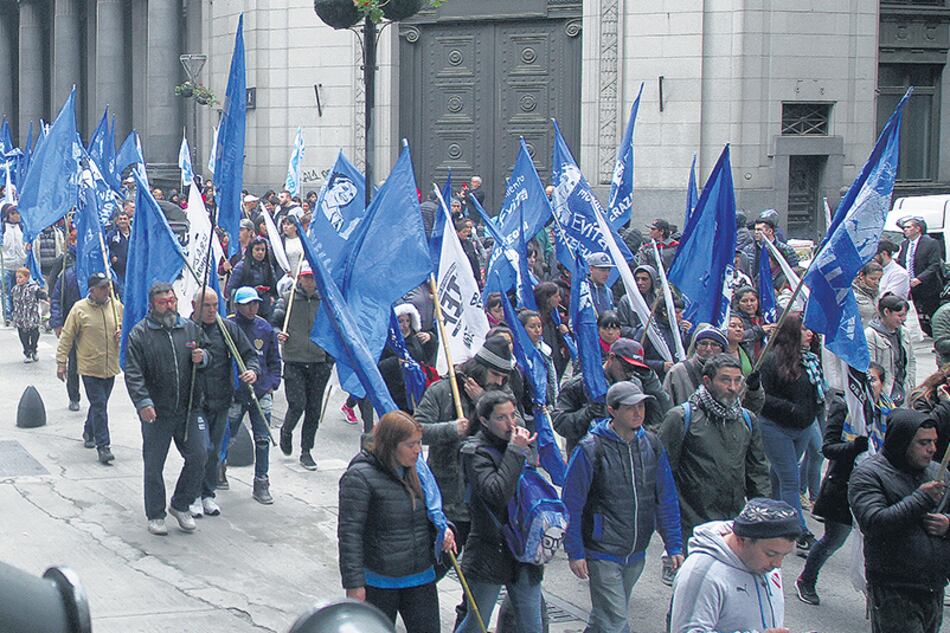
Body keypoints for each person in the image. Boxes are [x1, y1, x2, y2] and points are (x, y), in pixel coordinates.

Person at [562, 382, 683, 632]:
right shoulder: (590, 449)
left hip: (636, 551)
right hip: (602, 550)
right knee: (616, 622)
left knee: (604, 618)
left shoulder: (651, 444)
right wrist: (575, 552)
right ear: (612, 410)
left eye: (641, 406)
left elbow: (666, 497)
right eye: (630, 407)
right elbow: (571, 504)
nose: (638, 412)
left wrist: (674, 545)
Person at [338, 411, 455, 633]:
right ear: (392, 445)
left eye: (419, 443)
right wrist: (354, 584)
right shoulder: (360, 476)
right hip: (380, 581)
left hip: (420, 577)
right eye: (411, 444)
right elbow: (349, 535)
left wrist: (445, 529)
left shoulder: (418, 472)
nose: (418, 450)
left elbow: (431, 512)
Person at [795, 363, 890, 606]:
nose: (871, 386)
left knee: (876, 546)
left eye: (875, 381)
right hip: (843, 487)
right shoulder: (844, 407)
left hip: (875, 490)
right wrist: (856, 446)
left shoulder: (887, 411)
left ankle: (875, 596)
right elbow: (828, 448)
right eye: (866, 381)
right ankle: (806, 579)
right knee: (834, 540)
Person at [849, 410, 950, 633]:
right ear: (902, 442)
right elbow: (873, 523)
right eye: (923, 443)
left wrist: (947, 525)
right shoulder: (870, 474)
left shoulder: (937, 473)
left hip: (933, 587)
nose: (932, 449)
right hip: (894, 589)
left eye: (934, 442)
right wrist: (921, 499)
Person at [124, 283, 210, 535]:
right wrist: (143, 402)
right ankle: (155, 514)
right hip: (157, 411)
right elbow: (133, 373)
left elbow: (209, 356)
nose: (169, 305)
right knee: (154, 465)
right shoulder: (140, 334)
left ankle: (181, 504)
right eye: (163, 302)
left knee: (199, 455)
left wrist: (202, 358)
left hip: (189, 408)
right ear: (153, 305)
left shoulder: (190, 329)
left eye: (172, 300)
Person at [414, 336, 518, 546]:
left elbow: (517, 429)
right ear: (480, 368)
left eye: (503, 377)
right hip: (450, 495)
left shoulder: (502, 393)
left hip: (488, 496)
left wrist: (483, 400)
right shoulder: (442, 390)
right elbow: (416, 430)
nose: (498, 381)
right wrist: (451, 429)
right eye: (494, 374)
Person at [659, 354, 771, 543]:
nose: (733, 388)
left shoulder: (746, 420)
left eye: (738, 381)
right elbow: (662, 474)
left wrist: (762, 517)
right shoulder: (680, 418)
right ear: (707, 381)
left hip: (731, 524)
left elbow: (757, 473)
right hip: (689, 525)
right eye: (725, 380)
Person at [456, 391, 542, 633]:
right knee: (476, 622)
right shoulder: (474, 451)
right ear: (484, 421)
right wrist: (515, 452)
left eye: (512, 415)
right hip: (490, 549)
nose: (511, 423)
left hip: (523, 550)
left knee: (532, 625)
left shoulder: (521, 442)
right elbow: (496, 493)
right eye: (501, 418)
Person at [669, 498, 801, 633]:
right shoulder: (701, 574)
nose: (778, 565)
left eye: (784, 555)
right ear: (741, 539)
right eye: (771, 554)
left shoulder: (764, 564)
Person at [189, 288, 262, 513]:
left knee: (213, 451)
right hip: (195, 402)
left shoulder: (227, 329)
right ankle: (190, 495)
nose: (212, 311)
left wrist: (252, 371)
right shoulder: (186, 329)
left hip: (221, 400)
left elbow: (249, 354)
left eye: (215, 305)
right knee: (199, 450)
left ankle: (207, 493)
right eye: (207, 306)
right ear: (194, 306)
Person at [757, 315, 825, 552]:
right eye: (804, 329)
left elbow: (817, 392)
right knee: (791, 479)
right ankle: (800, 531)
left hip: (803, 427)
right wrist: (792, 408)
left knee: (779, 474)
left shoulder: (811, 361)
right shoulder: (771, 360)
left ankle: (773, 518)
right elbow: (762, 397)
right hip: (776, 427)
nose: (810, 334)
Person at [554, 337, 671, 455]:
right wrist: (587, 413)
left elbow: (659, 416)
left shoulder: (635, 384)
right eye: (626, 367)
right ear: (612, 358)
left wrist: (651, 381)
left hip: (625, 458)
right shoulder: (580, 385)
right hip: (588, 459)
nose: (629, 373)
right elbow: (559, 423)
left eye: (635, 369)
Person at [220, 286, 283, 494]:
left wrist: (272, 383)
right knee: (227, 436)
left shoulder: (265, 328)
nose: (252, 308)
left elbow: (274, 359)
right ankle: (219, 469)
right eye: (247, 304)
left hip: (261, 391)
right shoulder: (227, 327)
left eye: (255, 303)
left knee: (262, 439)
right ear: (237, 305)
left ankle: (261, 481)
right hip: (236, 393)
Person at [55, 273, 122, 464]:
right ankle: (104, 446)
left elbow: (127, 328)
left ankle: (88, 430)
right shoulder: (79, 309)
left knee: (100, 404)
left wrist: (122, 333)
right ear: (91, 290)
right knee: (99, 405)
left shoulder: (116, 307)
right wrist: (61, 363)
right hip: (90, 367)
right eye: (102, 287)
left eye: (107, 287)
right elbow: (67, 336)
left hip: (110, 366)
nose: (106, 290)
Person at [271, 267, 334, 471]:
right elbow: (273, 323)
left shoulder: (324, 302)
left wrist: (329, 358)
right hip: (294, 359)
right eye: (306, 278)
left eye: (313, 278)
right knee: (297, 404)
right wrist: (278, 333)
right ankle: (286, 430)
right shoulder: (288, 300)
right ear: (300, 278)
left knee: (313, 409)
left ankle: (306, 450)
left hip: (318, 361)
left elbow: (333, 328)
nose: (310, 282)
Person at [49, 226, 83, 410]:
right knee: (74, 363)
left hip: (92, 324)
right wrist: (57, 322)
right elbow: (56, 296)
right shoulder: (64, 264)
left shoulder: (96, 261)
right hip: (72, 321)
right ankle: (74, 396)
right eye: (76, 239)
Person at [866, 294, 916, 407]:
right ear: (886, 312)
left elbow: (911, 360)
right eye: (900, 315)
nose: (903, 319)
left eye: (905, 315)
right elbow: (871, 368)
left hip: (903, 390)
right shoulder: (870, 335)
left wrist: (911, 385)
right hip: (885, 393)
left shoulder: (904, 333)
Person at [897, 216, 944, 336]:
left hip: (928, 286)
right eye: (904, 228)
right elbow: (902, 262)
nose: (905, 230)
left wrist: (919, 279)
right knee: (914, 314)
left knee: (933, 313)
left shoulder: (931, 243)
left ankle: (938, 338)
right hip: (909, 286)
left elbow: (934, 264)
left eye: (908, 227)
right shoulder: (905, 244)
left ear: (917, 229)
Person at [663, 327, 728, 406]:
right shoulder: (678, 371)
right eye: (703, 344)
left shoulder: (729, 374)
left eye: (714, 345)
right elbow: (666, 404)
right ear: (696, 347)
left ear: (722, 350)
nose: (708, 349)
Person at [227, 237, 278, 318]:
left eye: (263, 250)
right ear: (251, 251)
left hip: (266, 310)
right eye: (257, 249)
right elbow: (230, 290)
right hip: (246, 311)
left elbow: (274, 289)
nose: (260, 252)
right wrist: (252, 292)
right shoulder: (241, 267)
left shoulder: (268, 267)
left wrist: (272, 297)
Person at [2, 205, 30, 324]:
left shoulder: (23, 227)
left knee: (20, 291)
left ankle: (18, 313)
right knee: (7, 291)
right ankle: (8, 315)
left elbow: (26, 241)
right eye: (14, 213)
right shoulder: (3, 227)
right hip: (6, 265)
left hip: (20, 264)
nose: (17, 216)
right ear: (9, 215)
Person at [11, 267, 44, 362]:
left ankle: (34, 349)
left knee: (35, 334)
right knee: (23, 337)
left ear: (27, 277)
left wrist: (47, 298)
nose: (18, 279)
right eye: (17, 277)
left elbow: (41, 295)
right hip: (20, 318)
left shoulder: (33, 288)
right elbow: (11, 301)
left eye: (20, 277)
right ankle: (27, 352)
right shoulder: (14, 290)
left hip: (32, 317)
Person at [732, 286, 775, 359]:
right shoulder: (734, 320)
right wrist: (759, 330)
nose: (749, 304)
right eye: (744, 301)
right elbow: (736, 337)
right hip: (745, 360)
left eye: (752, 300)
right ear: (738, 303)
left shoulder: (766, 318)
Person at [616, 264, 658, 331]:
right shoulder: (626, 301)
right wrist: (639, 331)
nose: (640, 282)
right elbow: (621, 327)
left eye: (644, 279)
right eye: (637, 279)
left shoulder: (657, 300)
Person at [853, 261, 883, 327]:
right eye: (873, 279)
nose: (876, 282)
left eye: (879, 279)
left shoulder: (877, 293)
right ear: (862, 275)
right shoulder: (852, 294)